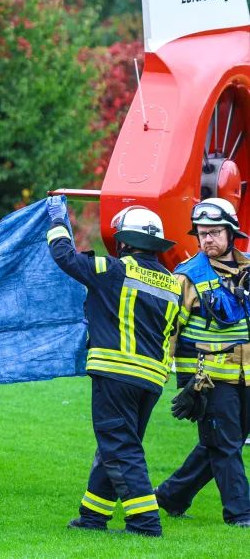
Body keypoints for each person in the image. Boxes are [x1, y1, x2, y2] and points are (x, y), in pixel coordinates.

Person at [47, 198, 180, 537]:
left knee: (121, 448)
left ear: (123, 242)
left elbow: (65, 257)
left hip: (116, 374)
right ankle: (93, 516)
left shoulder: (114, 269)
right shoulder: (171, 284)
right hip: (151, 382)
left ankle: (145, 522)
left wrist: (57, 219)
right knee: (116, 444)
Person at [155, 198, 250, 527]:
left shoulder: (249, 269)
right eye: (202, 234)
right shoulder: (186, 276)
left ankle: (171, 496)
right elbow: (169, 327)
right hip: (208, 378)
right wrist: (159, 371)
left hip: (247, 376)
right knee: (225, 446)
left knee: (225, 441)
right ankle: (241, 516)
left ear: (231, 232)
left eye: (214, 232)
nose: (207, 239)